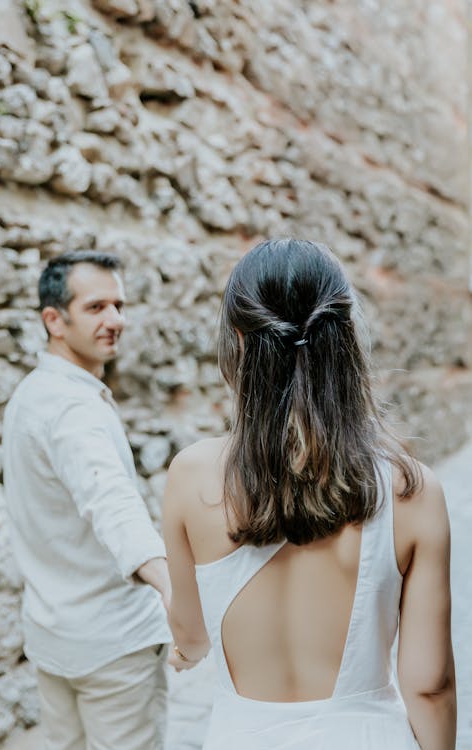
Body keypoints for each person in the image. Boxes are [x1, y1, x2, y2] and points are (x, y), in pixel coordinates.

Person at [162, 238, 456, 750]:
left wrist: (183, 645)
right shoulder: (411, 489)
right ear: (346, 337)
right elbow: (429, 685)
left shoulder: (191, 475)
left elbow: (191, 635)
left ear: (238, 338)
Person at [3, 251, 171, 750]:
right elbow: (112, 502)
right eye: (97, 307)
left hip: (53, 637)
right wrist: (170, 586)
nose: (116, 320)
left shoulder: (29, 395)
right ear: (54, 320)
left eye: (119, 305)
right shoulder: (74, 409)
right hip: (114, 649)